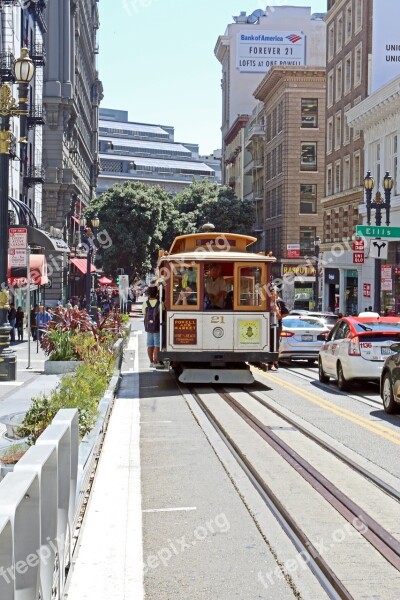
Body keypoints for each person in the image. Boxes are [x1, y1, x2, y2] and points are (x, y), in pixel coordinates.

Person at [142, 286, 163, 368]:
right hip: (157, 327)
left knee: (150, 345)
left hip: (148, 327)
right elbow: (163, 313)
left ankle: (151, 362)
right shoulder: (160, 303)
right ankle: (155, 361)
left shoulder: (145, 304)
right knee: (157, 345)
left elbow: (144, 314)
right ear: (157, 294)